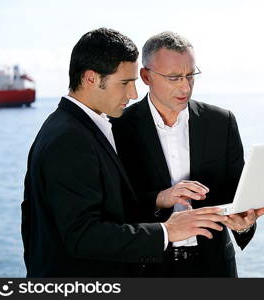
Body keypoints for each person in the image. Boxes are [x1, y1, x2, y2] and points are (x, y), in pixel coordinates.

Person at [21, 28, 226, 277]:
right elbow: (83, 236)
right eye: (125, 83)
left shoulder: (80, 127)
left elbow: (108, 208)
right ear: (91, 79)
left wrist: (160, 199)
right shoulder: (69, 139)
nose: (133, 94)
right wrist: (167, 231)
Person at [111, 31, 264, 277]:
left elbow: (236, 195)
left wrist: (243, 223)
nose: (185, 87)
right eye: (174, 77)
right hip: (146, 269)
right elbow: (114, 208)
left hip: (215, 267)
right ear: (146, 76)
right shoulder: (117, 128)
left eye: (190, 75)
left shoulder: (221, 122)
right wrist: (160, 198)